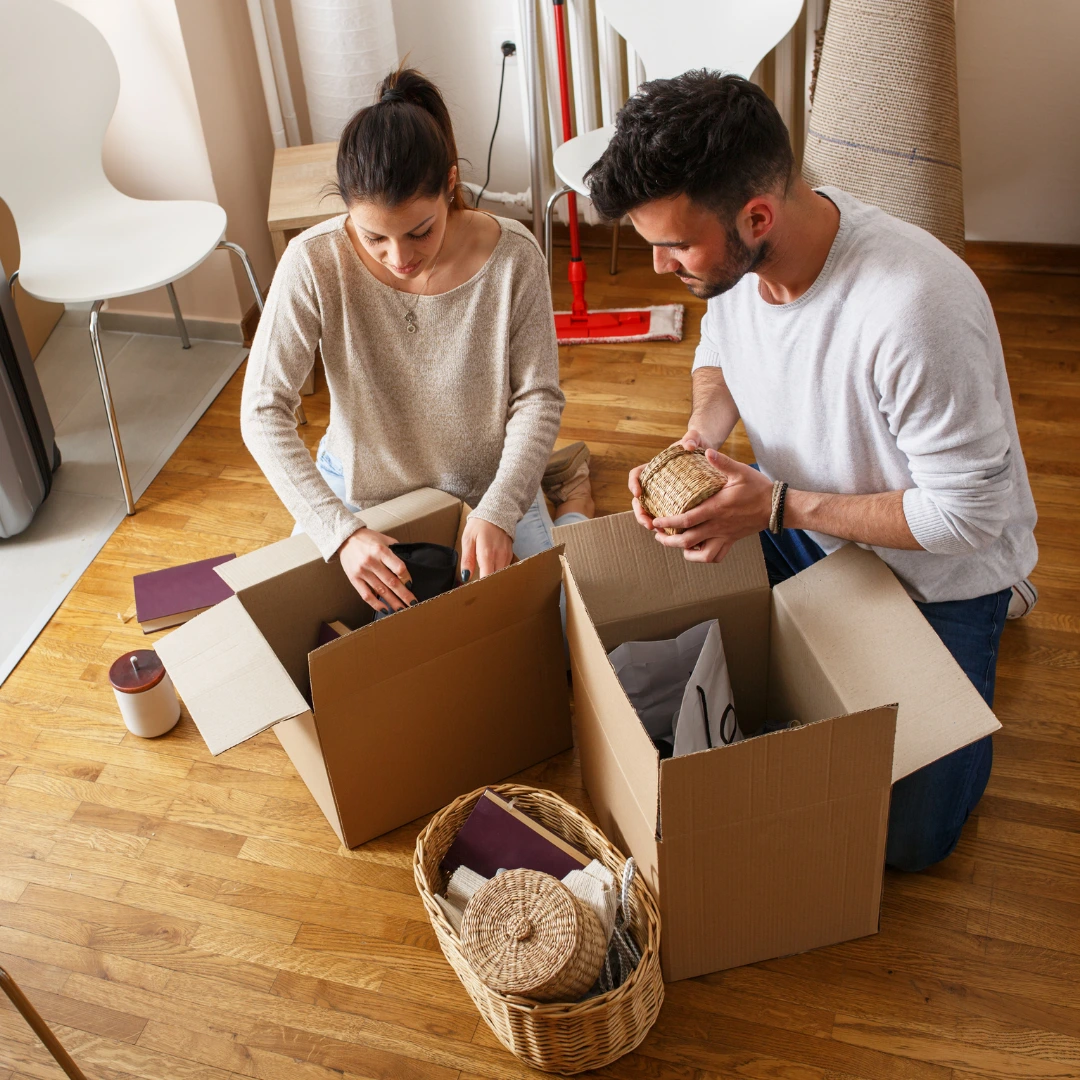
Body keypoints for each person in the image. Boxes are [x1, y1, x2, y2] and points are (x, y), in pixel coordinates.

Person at [585, 70, 1038, 873]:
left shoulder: (913, 308)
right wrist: (698, 441)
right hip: (798, 524)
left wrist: (779, 506)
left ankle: (1006, 602)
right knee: (624, 618)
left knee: (908, 841)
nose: (659, 266)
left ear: (757, 215)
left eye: (674, 244)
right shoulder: (733, 265)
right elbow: (719, 355)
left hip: (934, 574)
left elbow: (971, 518)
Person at [242, 68, 593, 615]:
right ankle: (555, 485)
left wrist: (500, 508)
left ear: (449, 185)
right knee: (310, 639)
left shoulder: (515, 255)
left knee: (555, 640)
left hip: (486, 489)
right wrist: (340, 532)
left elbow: (538, 398)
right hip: (359, 488)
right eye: (373, 236)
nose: (400, 258)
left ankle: (574, 499)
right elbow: (263, 411)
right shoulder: (312, 262)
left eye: (420, 230)